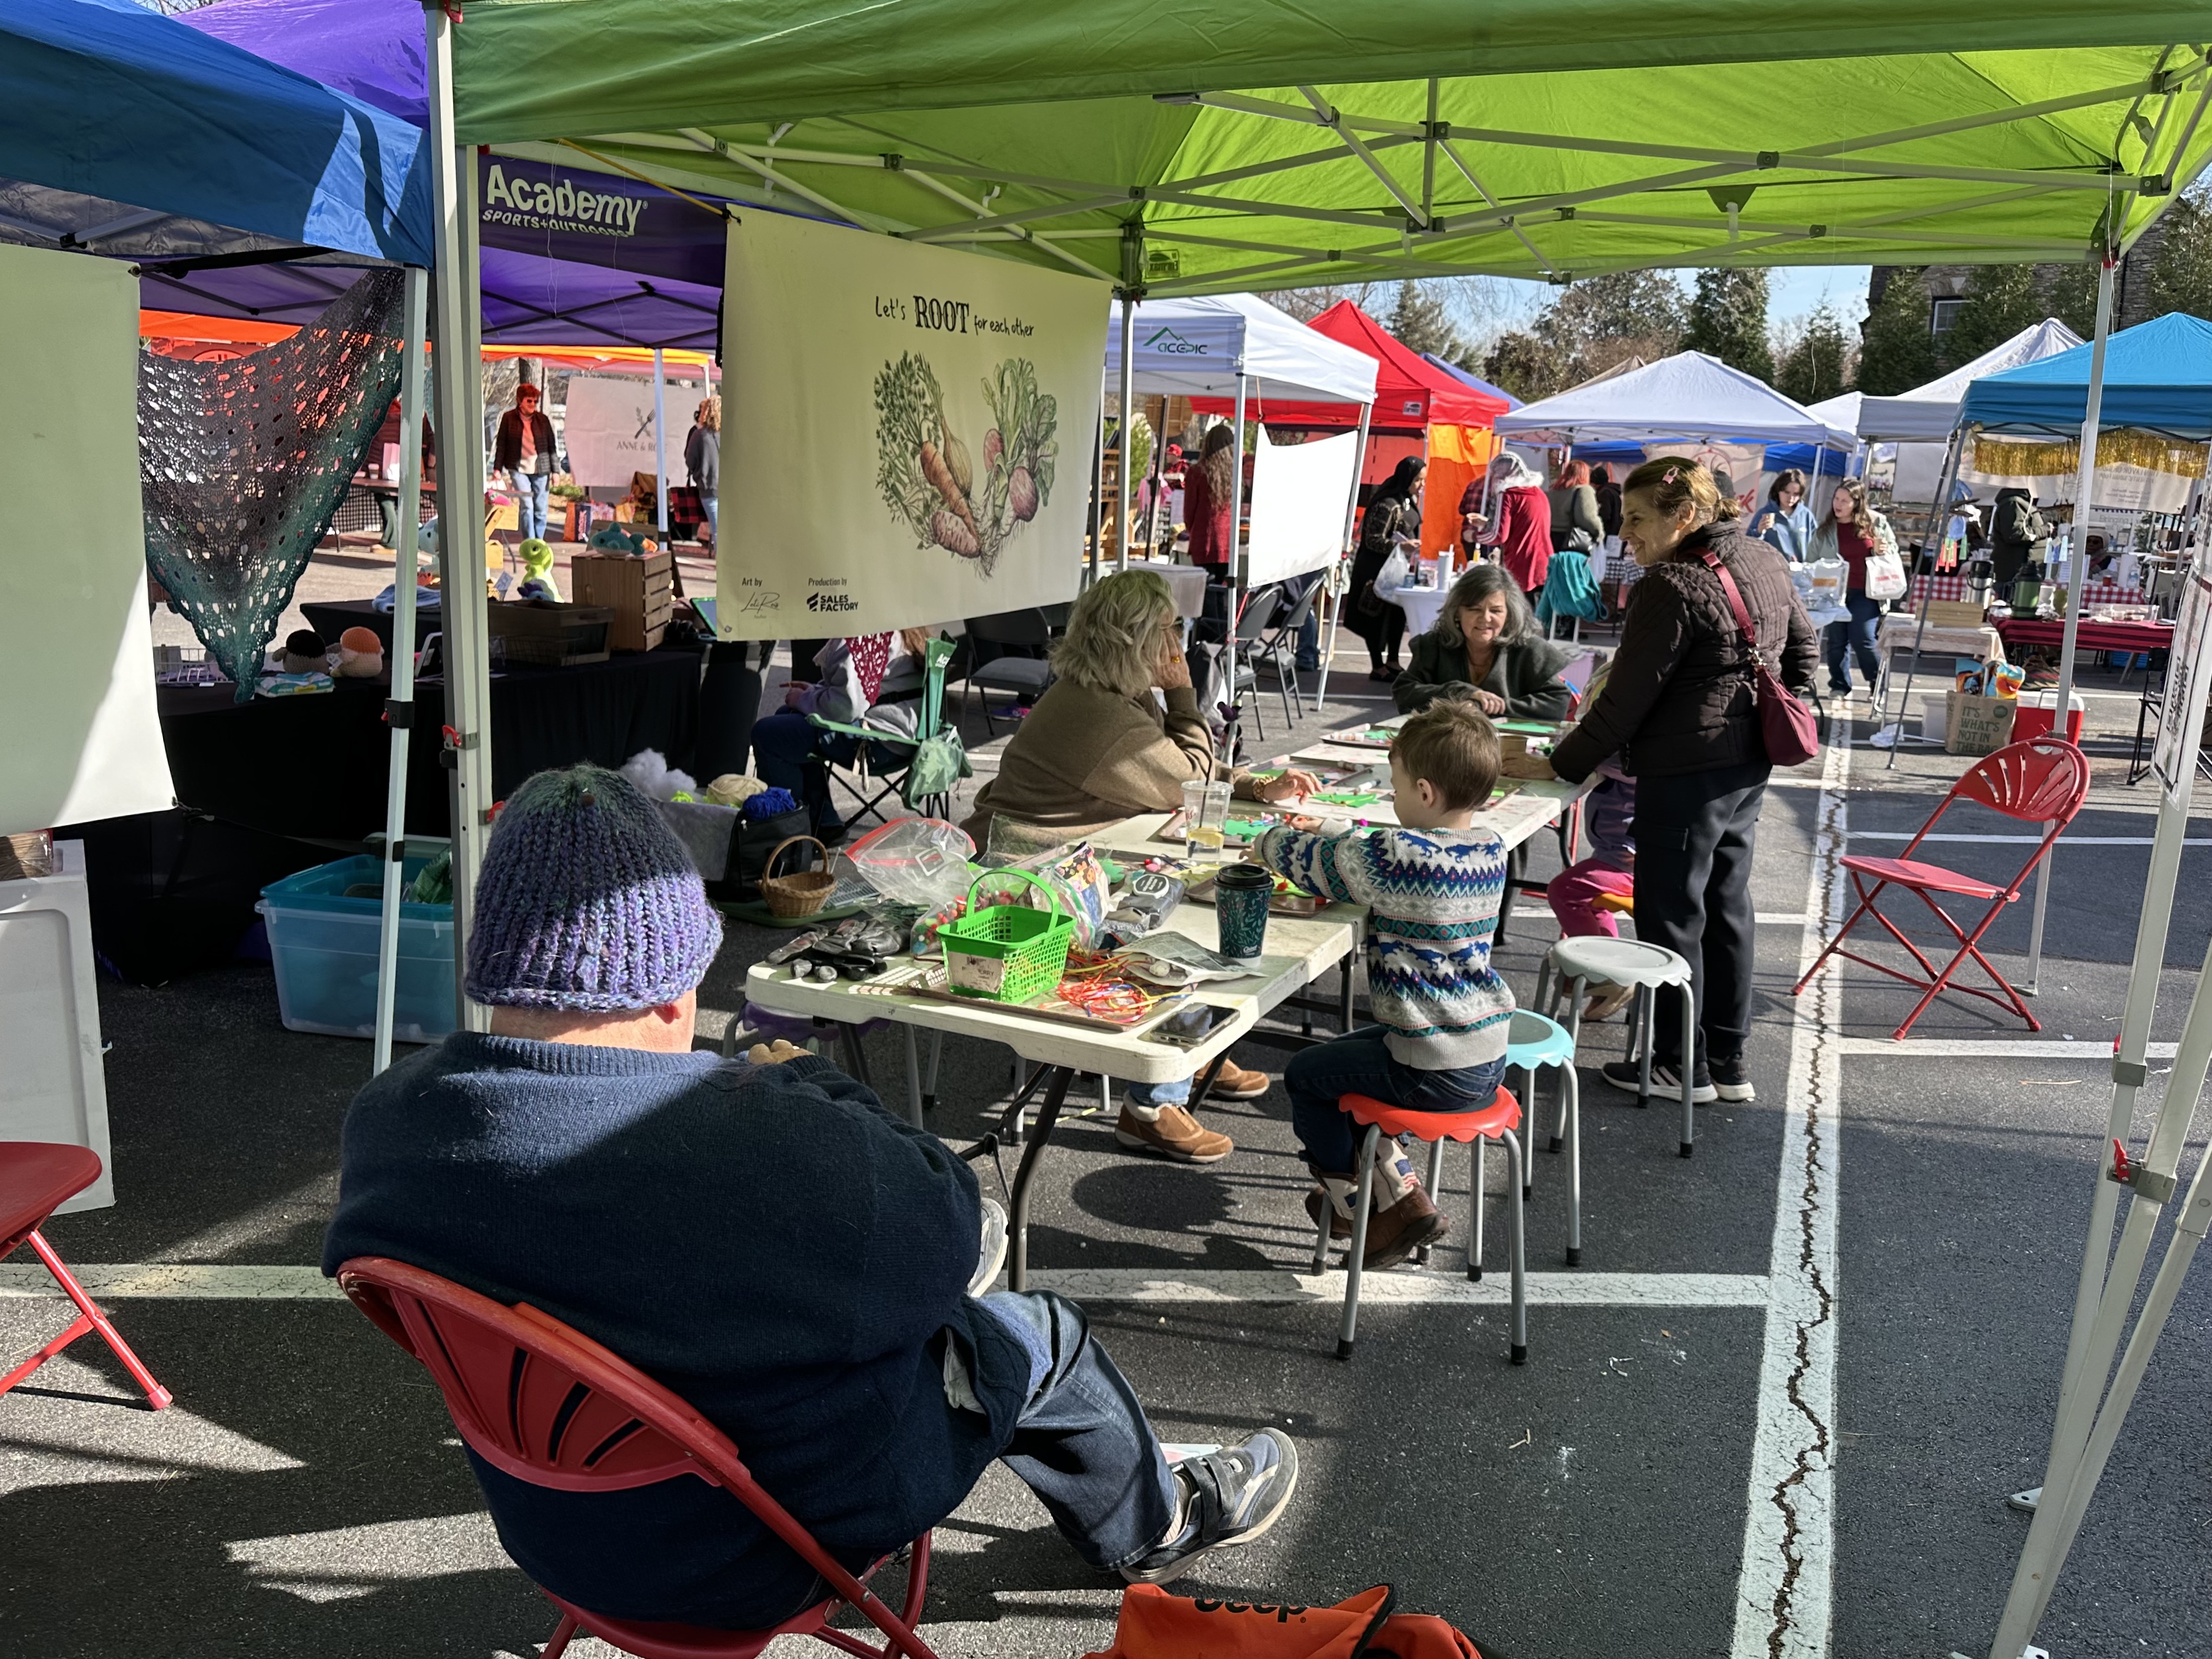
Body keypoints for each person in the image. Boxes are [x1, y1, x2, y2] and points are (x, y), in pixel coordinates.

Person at [324, 767, 1298, 1631]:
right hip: (766, 1548)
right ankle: (1157, 1523)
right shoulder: (767, 1142)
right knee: (1034, 1329)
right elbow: (957, 1235)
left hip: (557, 1526)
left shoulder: (388, 1123)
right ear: (670, 990)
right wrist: (809, 1082)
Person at [963, 570, 1320, 1162]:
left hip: (1065, 857)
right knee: (1170, 914)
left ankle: (1191, 1042)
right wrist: (1183, 692)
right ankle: (1151, 1105)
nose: (1178, 642)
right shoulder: (1095, 712)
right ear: (1131, 639)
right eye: (1168, 630)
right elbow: (1188, 779)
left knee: (1182, 887)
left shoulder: (1108, 694)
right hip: (1022, 876)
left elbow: (1175, 769)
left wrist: (1256, 785)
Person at [1526, 457, 1817, 1104]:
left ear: (1683, 516)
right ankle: (1726, 1060)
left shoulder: (1670, 584)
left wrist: (1561, 763)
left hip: (1686, 770)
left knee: (1673, 914)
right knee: (1725, 904)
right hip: (1746, 766)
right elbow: (1804, 653)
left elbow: (1624, 701)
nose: (1624, 533)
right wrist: (1759, 712)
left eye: (1635, 518)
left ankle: (1677, 1065)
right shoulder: (1764, 557)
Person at [1250, 704, 1515, 1266]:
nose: (1392, 799)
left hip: (1428, 1065)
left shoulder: (1398, 858)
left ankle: (1351, 1206)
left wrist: (1267, 841)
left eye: (1395, 789)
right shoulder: (1491, 847)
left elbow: (1322, 865)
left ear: (1424, 792)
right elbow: (1374, 852)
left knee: (1306, 1075)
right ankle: (1402, 1190)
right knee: (1348, 1061)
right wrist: (1333, 829)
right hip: (1486, 1051)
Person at [750, 628, 938, 842]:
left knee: (768, 734)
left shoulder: (867, 633)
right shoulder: (908, 629)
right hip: (908, 736)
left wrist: (803, 700)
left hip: (879, 741)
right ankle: (823, 823)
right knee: (788, 720)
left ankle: (790, 836)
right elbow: (867, 691)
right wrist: (813, 693)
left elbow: (846, 708)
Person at [1393, 564, 1573, 722]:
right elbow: (1404, 693)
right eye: (1475, 609)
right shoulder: (1434, 645)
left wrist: (1494, 707)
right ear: (1457, 612)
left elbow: (1558, 703)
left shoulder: (1528, 648)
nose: (1485, 618)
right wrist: (1462, 692)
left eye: (1496, 611)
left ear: (1509, 614)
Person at [1806, 478, 1898, 698]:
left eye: (1844, 501)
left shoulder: (1876, 523)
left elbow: (1893, 551)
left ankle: (1878, 684)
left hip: (1867, 592)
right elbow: (1811, 561)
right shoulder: (1825, 529)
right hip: (1834, 593)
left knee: (1863, 637)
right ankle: (1839, 685)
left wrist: (1882, 550)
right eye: (1836, 499)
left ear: (1857, 503)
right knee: (1836, 642)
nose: (1837, 504)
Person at [1346, 457, 1424, 681]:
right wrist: (1400, 546)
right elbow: (1372, 539)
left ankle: (1393, 660)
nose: (1421, 485)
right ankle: (1377, 666)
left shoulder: (1407, 500)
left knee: (1397, 615)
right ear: (1407, 478)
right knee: (1375, 618)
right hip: (1376, 571)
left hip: (1397, 570)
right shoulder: (1386, 504)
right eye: (1418, 480)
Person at [1469, 452, 1552, 602]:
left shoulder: (1508, 494)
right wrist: (1488, 523)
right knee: (1535, 611)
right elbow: (1522, 524)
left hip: (1520, 565)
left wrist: (1474, 537)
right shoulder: (1539, 494)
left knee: (1517, 612)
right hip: (1543, 564)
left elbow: (1499, 536)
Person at [494, 383, 557, 543]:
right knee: (527, 505)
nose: (533, 404)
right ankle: (530, 543)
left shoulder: (543, 420)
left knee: (540, 509)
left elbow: (552, 447)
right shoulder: (509, 418)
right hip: (518, 469)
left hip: (541, 470)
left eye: (535, 401)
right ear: (520, 401)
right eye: (529, 401)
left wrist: (556, 471)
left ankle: (539, 543)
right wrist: (497, 469)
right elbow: (502, 444)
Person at [1183, 424, 1237, 570]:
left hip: (1203, 538)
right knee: (1225, 582)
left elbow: (1189, 511)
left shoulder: (1197, 472)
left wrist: (1190, 531)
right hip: (1229, 540)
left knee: (1205, 582)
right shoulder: (1236, 473)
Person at [1748, 469, 1815, 562]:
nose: (1791, 498)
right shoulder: (1764, 513)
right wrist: (1759, 532)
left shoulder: (1806, 515)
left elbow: (1817, 545)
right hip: (1773, 569)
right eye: (1787, 492)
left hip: (1801, 569)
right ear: (1778, 490)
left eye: (1796, 494)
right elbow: (1749, 546)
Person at [1989, 486, 2049, 589]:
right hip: (2013, 574)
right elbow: (2014, 534)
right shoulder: (2014, 502)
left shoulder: (2024, 503)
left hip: (2025, 574)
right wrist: (2044, 530)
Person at [684, 394, 720, 549]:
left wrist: (698, 471)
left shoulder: (699, 434)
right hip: (728, 487)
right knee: (724, 529)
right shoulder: (728, 433)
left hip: (708, 487)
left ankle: (721, 560)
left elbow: (689, 460)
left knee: (717, 529)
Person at [1549, 460, 1603, 558]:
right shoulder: (1584, 490)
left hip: (1550, 540)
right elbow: (1587, 518)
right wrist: (1599, 533)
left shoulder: (1553, 491)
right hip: (1572, 542)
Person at [1590, 463, 1623, 545]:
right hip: (1615, 533)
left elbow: (1605, 515)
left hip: (1607, 534)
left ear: (1595, 483)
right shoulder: (1613, 492)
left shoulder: (1604, 493)